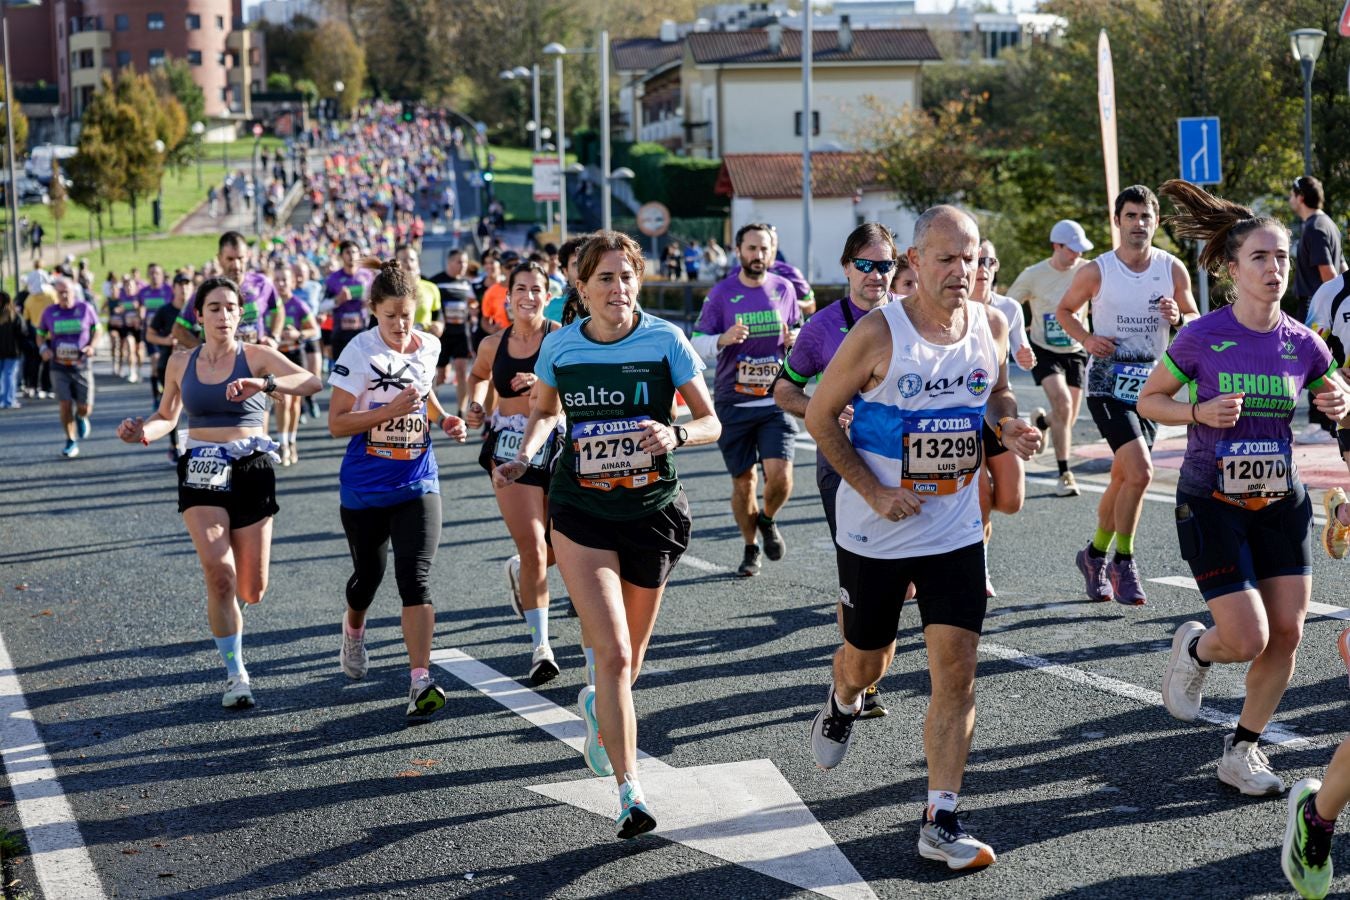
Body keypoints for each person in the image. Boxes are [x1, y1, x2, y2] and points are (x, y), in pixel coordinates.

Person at [804, 205, 1040, 870]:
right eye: (945, 258)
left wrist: (1011, 426)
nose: (960, 271)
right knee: (867, 659)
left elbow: (995, 397)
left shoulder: (991, 325)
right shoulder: (880, 333)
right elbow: (821, 418)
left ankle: (940, 817)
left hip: (955, 528)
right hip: (875, 532)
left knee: (957, 674)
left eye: (970, 258)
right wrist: (874, 490)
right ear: (915, 262)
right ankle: (843, 698)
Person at [494, 231, 720, 839]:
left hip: (653, 512)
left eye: (627, 277)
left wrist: (676, 435)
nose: (618, 289)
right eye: (605, 279)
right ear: (582, 287)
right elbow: (543, 410)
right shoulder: (562, 348)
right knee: (614, 654)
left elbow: (710, 420)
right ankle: (630, 791)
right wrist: (526, 456)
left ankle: (598, 706)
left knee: (630, 662)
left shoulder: (665, 340)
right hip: (582, 511)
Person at [1140, 179, 1349, 801]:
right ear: (1232, 269)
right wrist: (1198, 414)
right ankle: (1198, 647)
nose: (1275, 268)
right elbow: (1151, 399)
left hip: (1281, 501)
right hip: (1212, 499)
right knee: (1248, 637)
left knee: (1288, 632)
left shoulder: (1303, 342)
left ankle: (1242, 750)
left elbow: (1343, 397)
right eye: (1260, 257)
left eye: (1282, 257)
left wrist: (1341, 400)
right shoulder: (1202, 336)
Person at [116, 276, 321, 708]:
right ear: (199, 315)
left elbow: (310, 382)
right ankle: (236, 675)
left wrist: (264, 385)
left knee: (252, 589)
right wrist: (142, 433)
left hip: (252, 468)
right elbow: (166, 416)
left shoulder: (257, 355)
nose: (224, 315)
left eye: (232, 307)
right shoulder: (179, 362)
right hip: (201, 469)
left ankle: (233, 618)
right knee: (218, 572)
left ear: (240, 313)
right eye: (215, 307)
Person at [328, 259, 469, 720]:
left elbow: (422, 394)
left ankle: (419, 680)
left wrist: (442, 418)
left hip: (418, 479)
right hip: (366, 486)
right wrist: (388, 411)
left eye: (406, 314)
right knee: (367, 578)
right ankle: (354, 629)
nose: (399, 324)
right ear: (373, 311)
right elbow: (337, 422)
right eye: (390, 316)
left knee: (416, 578)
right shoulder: (358, 351)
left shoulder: (428, 345)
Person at [775, 222, 899, 719]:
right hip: (843, 467)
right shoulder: (823, 327)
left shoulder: (913, 319)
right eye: (865, 265)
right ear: (847, 267)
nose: (876, 275)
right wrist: (822, 407)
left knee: (904, 580)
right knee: (864, 575)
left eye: (885, 265)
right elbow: (784, 389)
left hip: (906, 468)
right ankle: (857, 679)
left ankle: (861, 667)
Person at [1056, 185, 1198, 605]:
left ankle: (1093, 555)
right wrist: (1086, 337)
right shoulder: (1096, 271)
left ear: (1156, 223)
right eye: (1131, 216)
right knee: (1141, 472)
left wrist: (1180, 316)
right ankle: (1124, 561)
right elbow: (1063, 311)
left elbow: (1193, 317)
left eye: (1146, 217)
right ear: (1117, 221)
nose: (1139, 224)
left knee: (1123, 477)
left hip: (1152, 388)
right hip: (1106, 385)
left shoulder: (1172, 269)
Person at [463, 261, 568, 684]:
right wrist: (474, 404)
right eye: (520, 289)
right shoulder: (493, 344)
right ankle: (541, 646)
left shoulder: (561, 336)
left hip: (557, 443)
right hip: (507, 444)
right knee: (534, 547)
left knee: (562, 542)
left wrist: (544, 380)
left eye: (536, 289)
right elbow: (477, 375)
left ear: (548, 295)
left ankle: (520, 571)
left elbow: (573, 386)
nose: (528, 296)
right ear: (507, 297)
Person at [693, 222, 802, 576]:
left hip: (776, 401)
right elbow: (695, 344)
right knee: (745, 483)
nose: (758, 255)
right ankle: (750, 546)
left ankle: (767, 519)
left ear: (773, 251)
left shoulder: (784, 289)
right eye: (752, 248)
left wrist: (794, 339)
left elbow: (799, 331)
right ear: (739, 251)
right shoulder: (721, 294)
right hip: (733, 402)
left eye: (765, 249)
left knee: (781, 477)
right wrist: (722, 338)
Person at [970, 239, 1038, 598]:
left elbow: (1019, 349)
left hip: (998, 410)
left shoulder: (1008, 308)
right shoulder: (953, 307)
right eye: (976, 260)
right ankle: (977, 561)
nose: (983, 267)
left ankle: (971, 517)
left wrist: (1025, 356)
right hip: (963, 417)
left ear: (996, 267)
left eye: (989, 261)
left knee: (1011, 501)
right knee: (979, 496)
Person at [1006, 220, 1093, 497]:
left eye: (1080, 249)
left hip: (1077, 348)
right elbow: (1009, 306)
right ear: (1056, 246)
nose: (1077, 254)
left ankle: (1042, 423)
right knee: (1063, 403)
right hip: (1045, 349)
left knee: (1067, 416)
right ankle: (1065, 474)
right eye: (1072, 249)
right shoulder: (1033, 275)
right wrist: (1014, 340)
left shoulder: (1087, 270)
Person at [1291, 175, 1346, 444]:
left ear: (1299, 196)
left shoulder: (1315, 227)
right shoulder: (1329, 224)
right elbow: (1344, 270)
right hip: (1321, 307)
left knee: (1316, 362)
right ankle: (1325, 422)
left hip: (1317, 308)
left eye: (1292, 194)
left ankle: (1321, 424)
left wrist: (1333, 305)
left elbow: (1330, 272)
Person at [38, 278, 100, 458]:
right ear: (56, 294)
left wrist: (92, 346)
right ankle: (71, 440)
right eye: (60, 292)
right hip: (59, 366)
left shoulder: (85, 309)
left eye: (67, 292)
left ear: (73, 292)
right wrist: (43, 348)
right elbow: (40, 334)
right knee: (64, 404)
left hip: (82, 366)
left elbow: (97, 329)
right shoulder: (49, 312)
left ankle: (81, 417)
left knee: (85, 408)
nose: (64, 295)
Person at [268, 264, 320, 466]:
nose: (281, 284)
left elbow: (313, 329)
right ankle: (282, 443)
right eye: (277, 279)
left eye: (284, 280)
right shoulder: (270, 306)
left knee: (295, 403)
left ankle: (292, 441)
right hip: (275, 357)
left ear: (291, 282)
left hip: (295, 356)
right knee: (282, 401)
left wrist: (298, 334)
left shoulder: (298, 304)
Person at [143, 274, 191, 459]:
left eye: (187, 285)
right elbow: (149, 335)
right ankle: (174, 445)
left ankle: (197, 446)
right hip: (169, 365)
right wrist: (165, 340)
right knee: (172, 409)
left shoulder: (197, 310)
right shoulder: (165, 311)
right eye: (180, 285)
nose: (184, 289)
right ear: (174, 288)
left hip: (195, 366)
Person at [430, 248, 476, 411]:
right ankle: (432, 410)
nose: (463, 265)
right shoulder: (435, 282)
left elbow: (472, 303)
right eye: (459, 262)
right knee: (440, 376)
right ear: (449, 262)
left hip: (461, 334)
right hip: (442, 335)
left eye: (465, 262)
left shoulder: (466, 283)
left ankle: (461, 410)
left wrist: (473, 308)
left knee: (462, 371)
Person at [324, 240, 376, 362]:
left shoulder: (368, 276)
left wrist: (369, 303)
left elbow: (377, 301)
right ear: (341, 255)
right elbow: (321, 307)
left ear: (359, 254)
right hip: (340, 332)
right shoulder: (333, 279)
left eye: (354, 252)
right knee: (341, 371)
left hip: (362, 330)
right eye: (347, 252)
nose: (351, 255)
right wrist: (337, 300)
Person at [134, 263, 173, 385]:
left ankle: (168, 391)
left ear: (162, 275)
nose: (154, 276)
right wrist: (139, 316)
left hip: (167, 333)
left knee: (168, 365)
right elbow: (139, 306)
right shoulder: (143, 292)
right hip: (151, 333)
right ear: (148, 275)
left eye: (157, 273)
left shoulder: (169, 290)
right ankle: (157, 396)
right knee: (155, 361)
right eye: (151, 273)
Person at [0, 292, 22, 408]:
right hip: (12, 350)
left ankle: (1, 399)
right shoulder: (14, 316)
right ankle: (9, 400)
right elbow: (23, 333)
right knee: (9, 375)